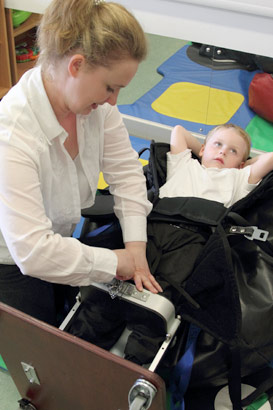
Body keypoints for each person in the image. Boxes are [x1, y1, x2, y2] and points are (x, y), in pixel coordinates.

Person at [0, 0, 162, 327]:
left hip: (57, 240)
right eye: (110, 87)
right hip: (11, 261)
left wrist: (136, 250)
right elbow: (32, 253)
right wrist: (115, 261)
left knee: (75, 317)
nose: (113, 100)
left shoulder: (95, 106)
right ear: (76, 65)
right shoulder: (13, 134)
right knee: (44, 354)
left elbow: (128, 176)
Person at [68, 122, 273, 366]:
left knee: (163, 292)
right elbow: (178, 131)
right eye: (218, 145)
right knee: (116, 284)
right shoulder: (183, 164)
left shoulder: (238, 178)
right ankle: (80, 343)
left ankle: (135, 361)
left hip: (193, 239)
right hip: (152, 229)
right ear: (204, 148)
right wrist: (203, 151)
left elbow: (268, 160)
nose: (222, 152)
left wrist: (245, 165)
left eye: (232, 151)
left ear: (241, 163)